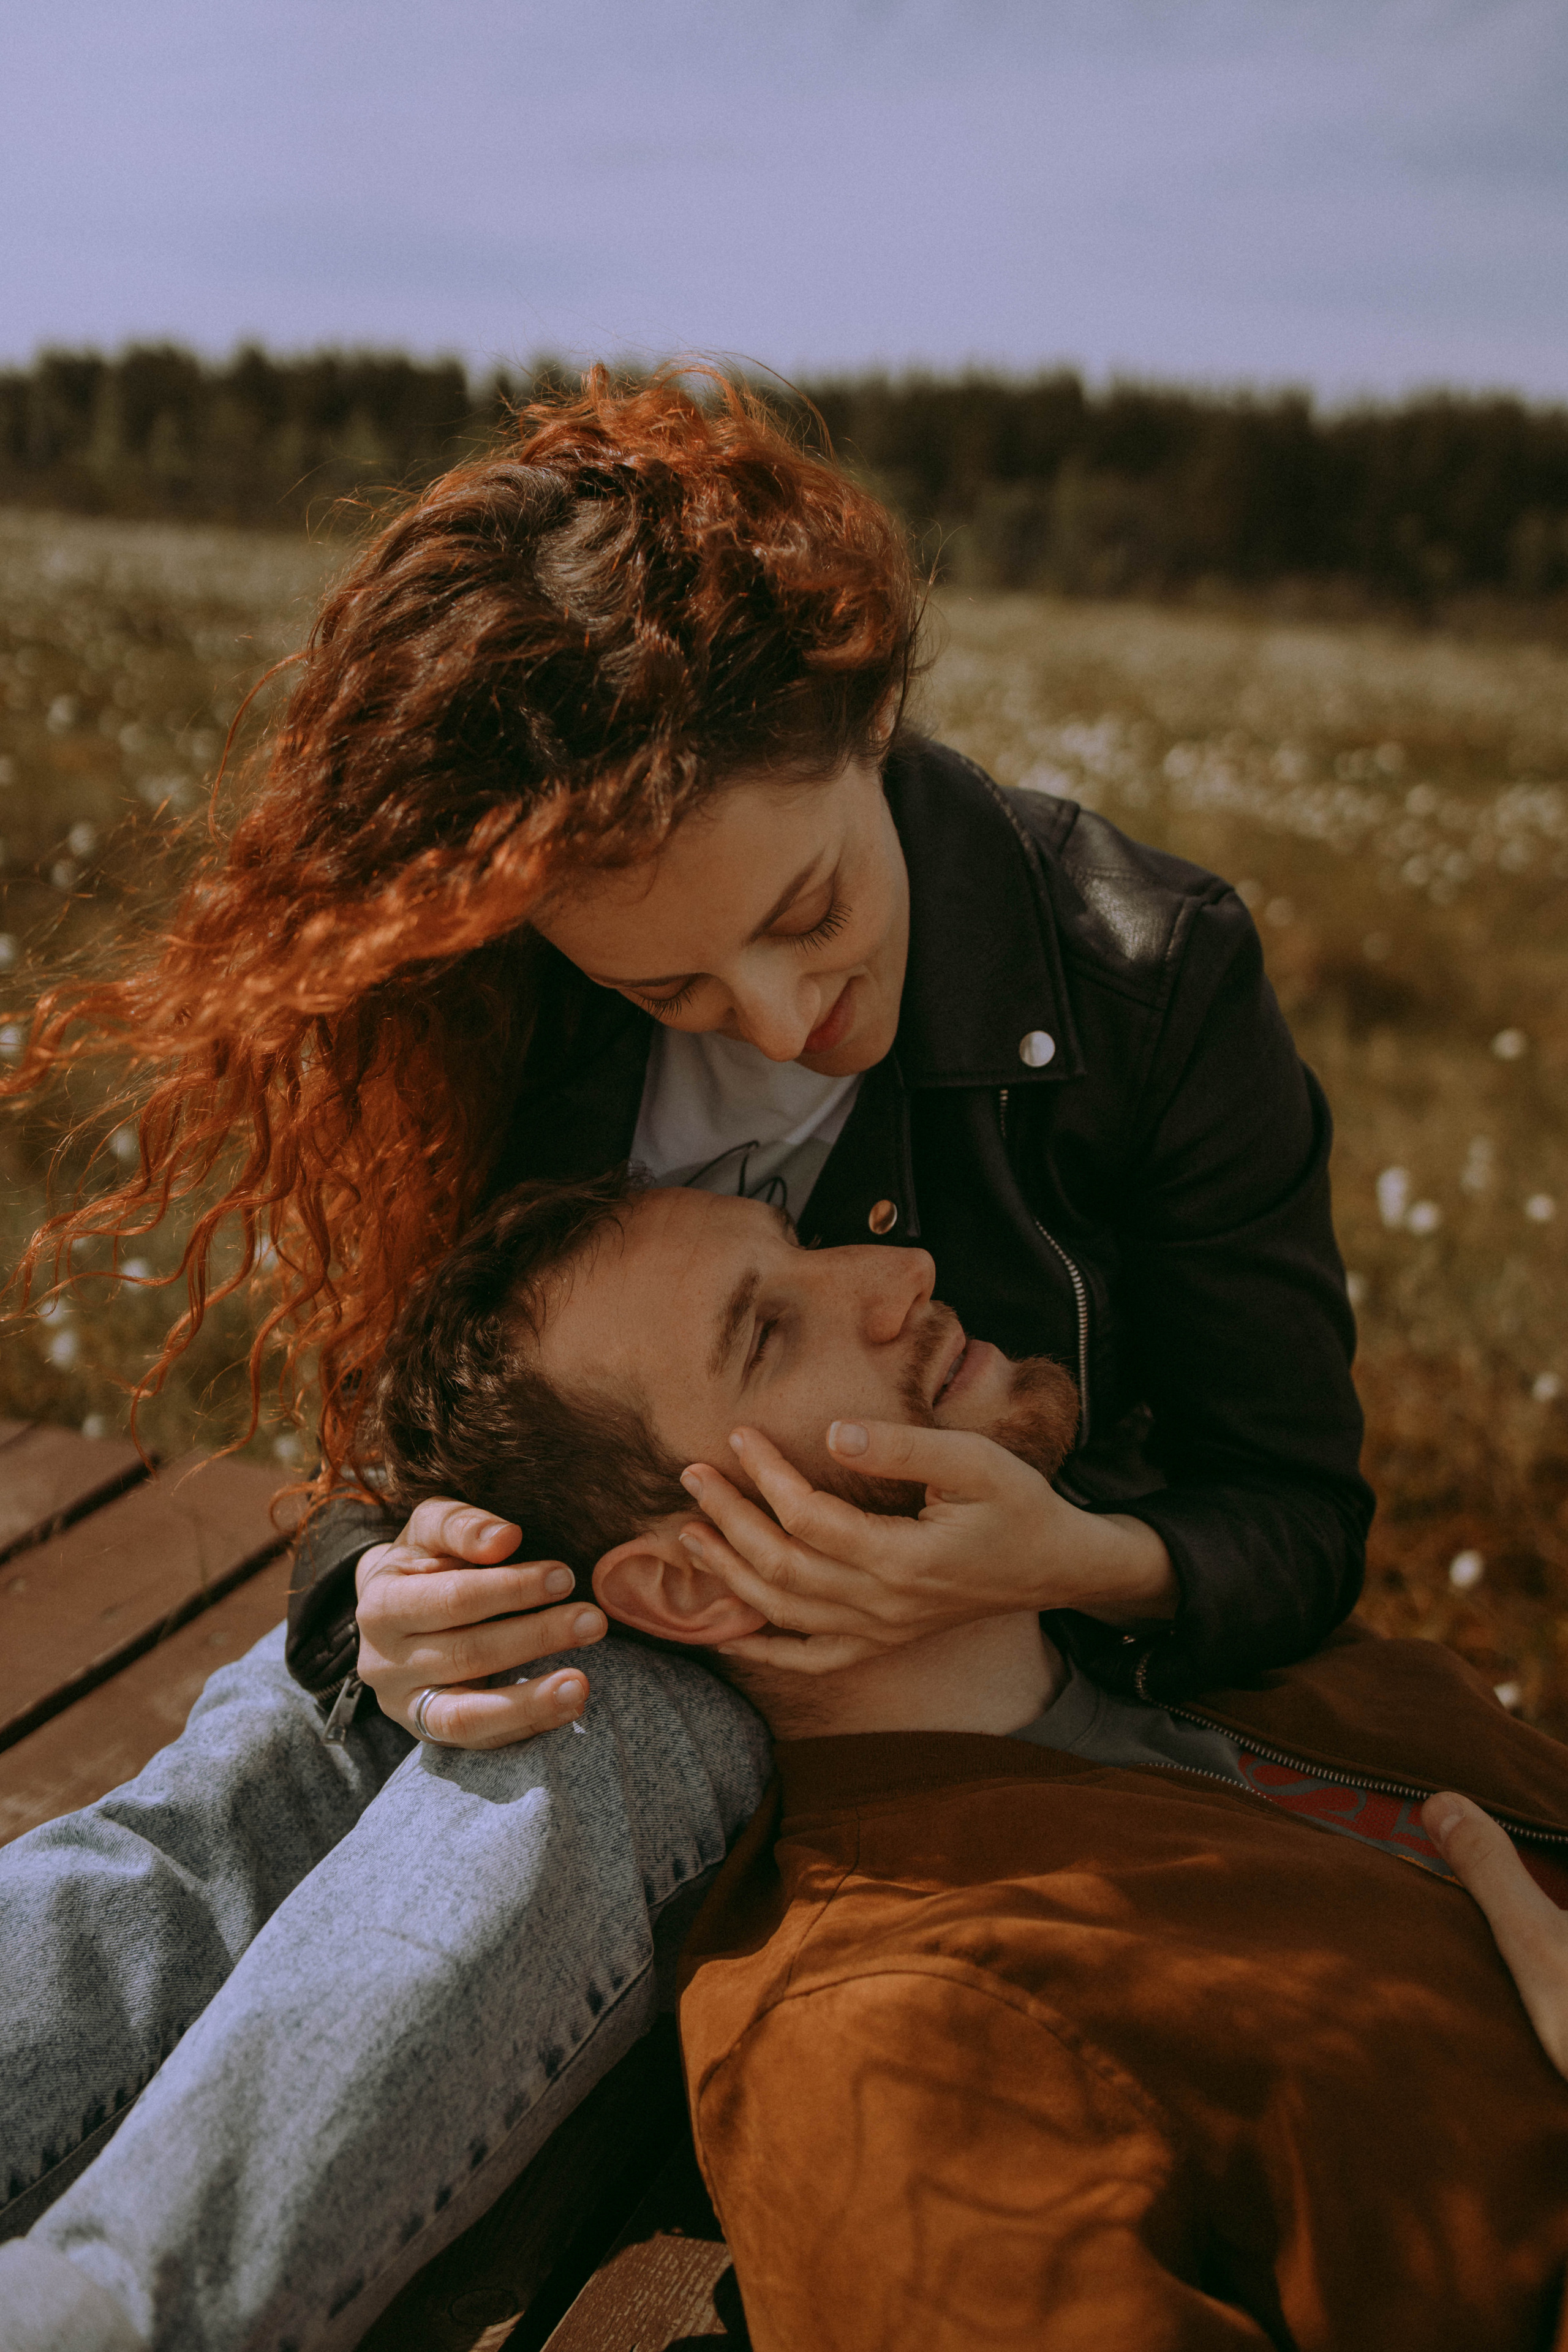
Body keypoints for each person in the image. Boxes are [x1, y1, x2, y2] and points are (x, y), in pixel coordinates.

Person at [0, 371, 1370, 2346]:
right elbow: (456, 1410)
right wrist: (370, 1600)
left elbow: (1296, 1509)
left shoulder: (1151, 981)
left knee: (603, 1727)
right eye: (674, 987)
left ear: (870, 709)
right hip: (566, 1605)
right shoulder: (521, 993)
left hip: (845, 1706)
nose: (788, 1013)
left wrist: (1060, 1558)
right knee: (251, 1786)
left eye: (810, 911)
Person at [370, 1173, 1568, 2348]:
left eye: (801, 1240)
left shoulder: (1230, 1660)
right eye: (768, 1333)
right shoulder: (888, 2048)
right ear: (692, 1579)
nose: (901, 1273)